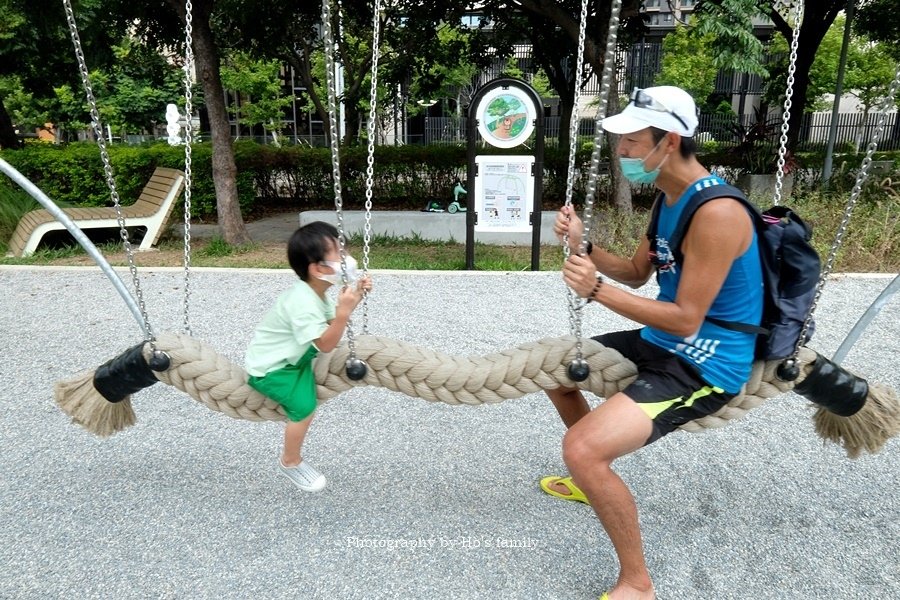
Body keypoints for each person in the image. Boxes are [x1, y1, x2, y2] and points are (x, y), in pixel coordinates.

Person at [544, 86, 763, 600]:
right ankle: (591, 478)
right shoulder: (670, 198)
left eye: (630, 142)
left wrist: (596, 289)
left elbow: (688, 318)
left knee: (580, 448)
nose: (621, 153)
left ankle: (638, 584)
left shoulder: (717, 213)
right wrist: (584, 246)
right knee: (558, 371)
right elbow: (641, 273)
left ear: (669, 141)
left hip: (705, 361)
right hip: (660, 338)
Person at [245, 222, 373, 492]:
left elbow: (331, 322)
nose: (346, 258)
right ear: (317, 269)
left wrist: (355, 297)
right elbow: (326, 343)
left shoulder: (316, 292)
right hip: (272, 369)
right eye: (338, 253)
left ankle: (291, 459)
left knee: (310, 389)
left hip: (296, 359)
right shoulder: (301, 302)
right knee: (304, 408)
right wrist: (343, 313)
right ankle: (290, 461)